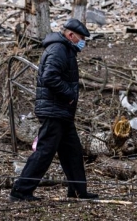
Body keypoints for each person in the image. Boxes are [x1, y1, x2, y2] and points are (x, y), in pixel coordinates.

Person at [9, 19, 99, 202]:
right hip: (54, 110)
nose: (83, 42)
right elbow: (49, 76)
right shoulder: (58, 49)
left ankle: (77, 191)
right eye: (81, 38)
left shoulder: (65, 49)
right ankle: (20, 190)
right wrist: (69, 95)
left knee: (73, 151)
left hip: (61, 111)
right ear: (71, 35)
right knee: (44, 151)